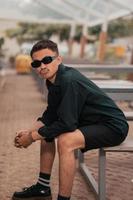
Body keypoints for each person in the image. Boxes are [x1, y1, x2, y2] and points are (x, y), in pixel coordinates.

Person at [12, 39, 129, 200]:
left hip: (112, 126)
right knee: (46, 132)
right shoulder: (52, 81)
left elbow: (67, 123)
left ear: (59, 59)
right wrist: (29, 131)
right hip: (91, 122)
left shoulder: (68, 79)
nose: (42, 66)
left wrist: (31, 137)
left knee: (66, 140)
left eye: (47, 60)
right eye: (37, 63)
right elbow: (50, 116)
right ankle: (42, 188)